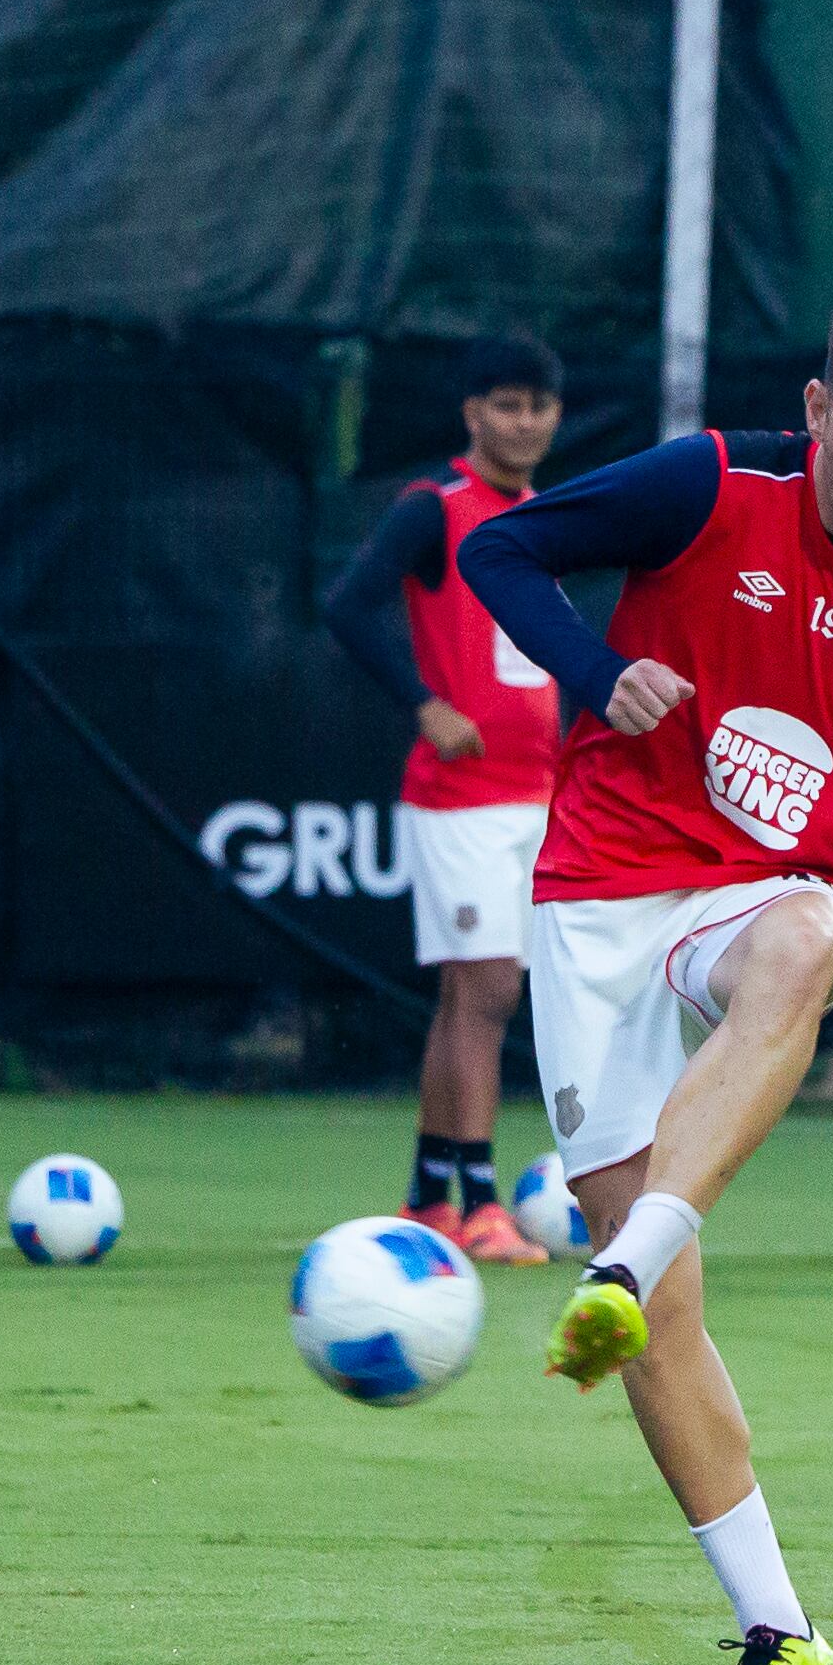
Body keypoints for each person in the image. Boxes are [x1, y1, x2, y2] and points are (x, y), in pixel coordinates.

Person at [461, 283, 833, 1665]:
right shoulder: (710, 484)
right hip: (596, 893)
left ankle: (628, 1255)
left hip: (764, 895)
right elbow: (501, 550)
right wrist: (602, 674)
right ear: (813, 411)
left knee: (806, 938)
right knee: (666, 1330)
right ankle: (781, 1631)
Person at [322, 334, 566, 1265]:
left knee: (470, 995)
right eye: (506, 405)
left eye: (539, 406)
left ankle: (429, 1191)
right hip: (460, 797)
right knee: (488, 989)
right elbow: (349, 604)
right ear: (472, 415)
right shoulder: (437, 509)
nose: (525, 422)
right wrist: (424, 704)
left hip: (532, 791)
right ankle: (479, 1200)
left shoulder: (542, 514)